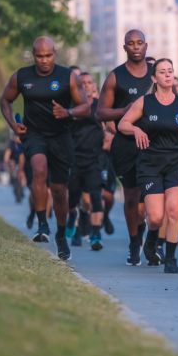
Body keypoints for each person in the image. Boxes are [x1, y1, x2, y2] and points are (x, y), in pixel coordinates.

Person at [0, 36, 89, 260]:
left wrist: (67, 113)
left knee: (59, 191)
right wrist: (13, 125)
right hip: (34, 134)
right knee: (38, 169)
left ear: (54, 55)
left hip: (61, 136)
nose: (44, 61)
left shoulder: (67, 76)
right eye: (39, 56)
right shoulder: (22, 76)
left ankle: (60, 234)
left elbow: (86, 107)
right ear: (33, 55)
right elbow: (5, 100)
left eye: (48, 56)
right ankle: (41, 224)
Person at [119, 58, 178, 273]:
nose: (168, 75)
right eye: (162, 72)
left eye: (170, 71)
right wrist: (136, 130)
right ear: (154, 78)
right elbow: (122, 123)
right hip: (150, 164)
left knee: (174, 210)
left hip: (176, 163)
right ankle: (151, 240)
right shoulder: (145, 102)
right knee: (155, 218)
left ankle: (170, 258)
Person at [97, 29, 153, 266]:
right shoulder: (115, 77)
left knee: (151, 200)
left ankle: (152, 240)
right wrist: (126, 111)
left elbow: (176, 101)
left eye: (140, 43)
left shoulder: (156, 74)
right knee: (131, 197)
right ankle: (133, 241)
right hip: (126, 145)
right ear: (125, 48)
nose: (136, 47)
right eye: (131, 43)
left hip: (155, 144)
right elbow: (100, 111)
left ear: (146, 46)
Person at [66, 72, 106, 250]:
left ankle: (95, 234)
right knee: (73, 197)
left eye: (90, 82)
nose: (87, 85)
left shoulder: (100, 107)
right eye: (83, 83)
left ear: (93, 85)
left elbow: (111, 127)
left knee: (95, 198)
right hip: (74, 159)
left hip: (94, 160)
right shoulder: (72, 106)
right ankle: (73, 220)